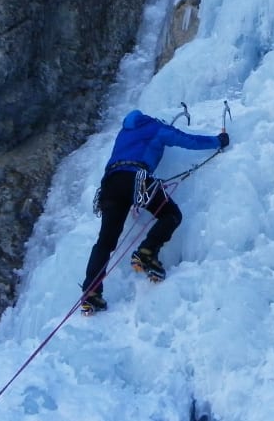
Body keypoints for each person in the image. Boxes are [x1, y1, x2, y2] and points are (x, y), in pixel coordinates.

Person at [80, 109, 230, 314]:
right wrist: (218, 141)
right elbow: (186, 140)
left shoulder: (125, 132)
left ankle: (91, 293)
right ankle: (147, 252)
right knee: (171, 214)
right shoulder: (155, 127)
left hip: (110, 184)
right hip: (135, 179)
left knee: (105, 242)